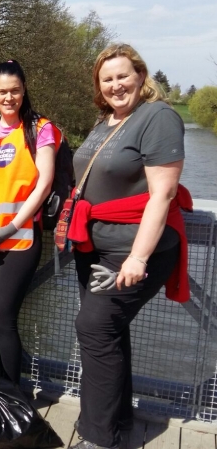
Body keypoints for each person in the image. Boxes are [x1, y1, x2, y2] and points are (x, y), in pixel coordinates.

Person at [66, 44, 190, 449]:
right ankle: (118, 418)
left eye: (123, 76)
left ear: (140, 75)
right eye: (107, 79)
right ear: (99, 87)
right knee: (109, 332)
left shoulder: (158, 117)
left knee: (95, 328)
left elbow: (163, 193)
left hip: (131, 249)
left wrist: (138, 256)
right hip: (96, 246)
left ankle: (98, 438)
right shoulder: (108, 121)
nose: (116, 85)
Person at [0, 60, 61, 385]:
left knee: (2, 317)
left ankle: (12, 395)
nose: (9, 97)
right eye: (3, 91)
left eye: (15, 90)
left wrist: (11, 226)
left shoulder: (40, 129)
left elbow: (44, 183)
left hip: (19, 238)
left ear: (24, 90)